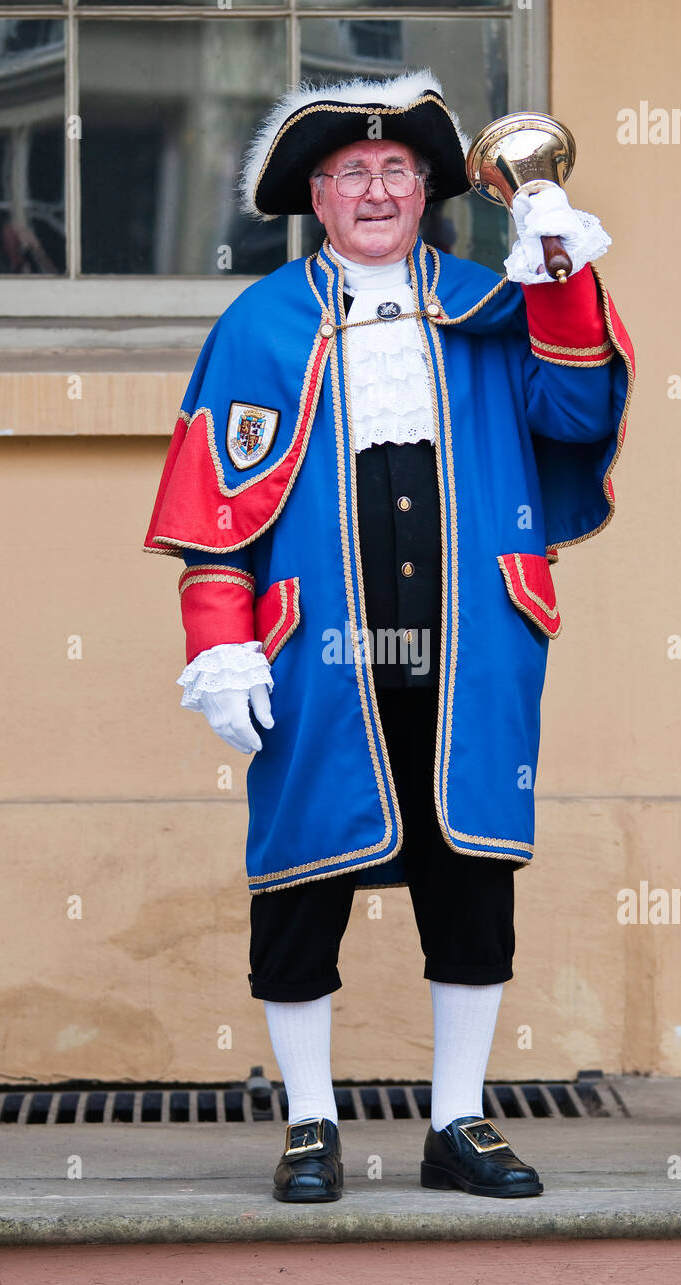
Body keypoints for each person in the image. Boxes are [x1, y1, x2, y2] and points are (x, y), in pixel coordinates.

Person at [144, 69, 635, 1203]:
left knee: (470, 870)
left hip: (475, 643)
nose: (376, 190)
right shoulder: (259, 323)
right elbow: (217, 516)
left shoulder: (493, 297)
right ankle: (311, 1124)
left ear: (428, 192)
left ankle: (457, 1123)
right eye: (351, 173)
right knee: (303, 873)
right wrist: (217, 641)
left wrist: (561, 262)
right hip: (316, 649)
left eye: (397, 172)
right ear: (317, 198)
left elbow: (579, 412)